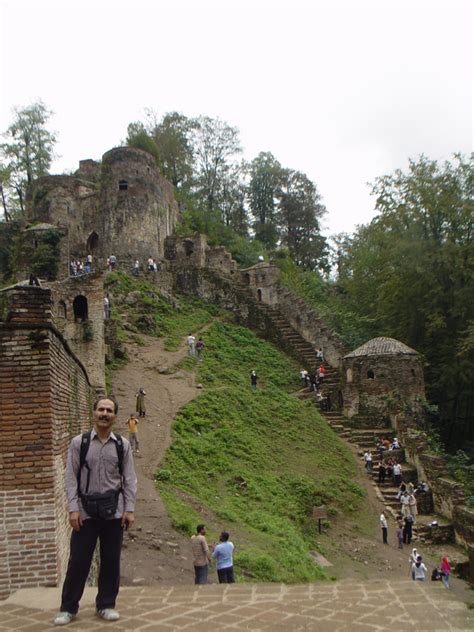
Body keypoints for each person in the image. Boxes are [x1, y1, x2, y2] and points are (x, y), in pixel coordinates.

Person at [53, 398, 137, 626]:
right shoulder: (79, 443)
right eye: (101, 409)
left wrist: (129, 509)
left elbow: (129, 479)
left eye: (109, 411)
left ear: (114, 416)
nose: (104, 413)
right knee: (79, 560)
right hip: (86, 511)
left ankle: (106, 604)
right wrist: (72, 509)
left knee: (111, 560)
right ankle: (68, 608)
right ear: (94, 412)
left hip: (114, 511)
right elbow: (71, 478)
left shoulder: (122, 445)